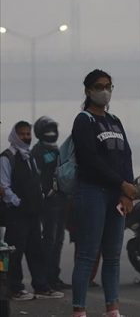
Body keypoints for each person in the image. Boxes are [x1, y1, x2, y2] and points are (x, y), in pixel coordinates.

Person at [70, 69, 137, 317]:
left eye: (109, 86)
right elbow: (90, 159)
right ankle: (79, 310)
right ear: (88, 91)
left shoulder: (115, 121)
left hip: (116, 196)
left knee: (113, 256)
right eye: (99, 86)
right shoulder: (84, 120)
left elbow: (126, 156)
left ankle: (113, 308)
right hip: (91, 193)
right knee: (87, 255)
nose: (105, 91)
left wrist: (128, 192)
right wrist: (121, 184)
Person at [0, 121, 64, 300]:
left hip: (33, 213)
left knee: (36, 251)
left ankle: (41, 287)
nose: (26, 137)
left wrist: (39, 199)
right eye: (22, 134)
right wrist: (17, 202)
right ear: (14, 135)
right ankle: (15, 288)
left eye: (28, 134)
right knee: (15, 253)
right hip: (16, 213)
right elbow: (4, 186)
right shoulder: (7, 157)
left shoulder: (29, 157)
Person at [31, 116, 72, 291]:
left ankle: (54, 277)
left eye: (53, 130)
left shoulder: (57, 150)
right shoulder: (37, 151)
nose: (51, 133)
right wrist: (46, 193)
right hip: (48, 203)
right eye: (47, 130)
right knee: (49, 240)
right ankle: (45, 279)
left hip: (61, 200)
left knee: (59, 241)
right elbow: (36, 177)